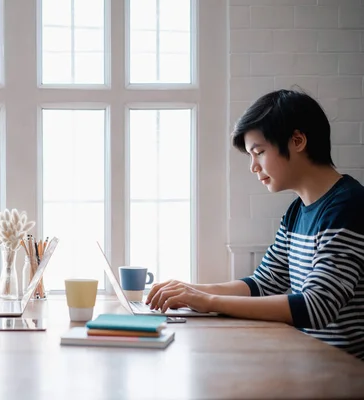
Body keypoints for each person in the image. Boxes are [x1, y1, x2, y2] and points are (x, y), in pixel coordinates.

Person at [146, 89, 364, 360]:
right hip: (309, 361)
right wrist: (190, 290)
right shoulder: (296, 211)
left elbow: (316, 306)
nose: (253, 166)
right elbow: (264, 282)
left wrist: (208, 301)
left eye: (259, 152)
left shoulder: (348, 206)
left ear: (297, 141)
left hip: (343, 373)